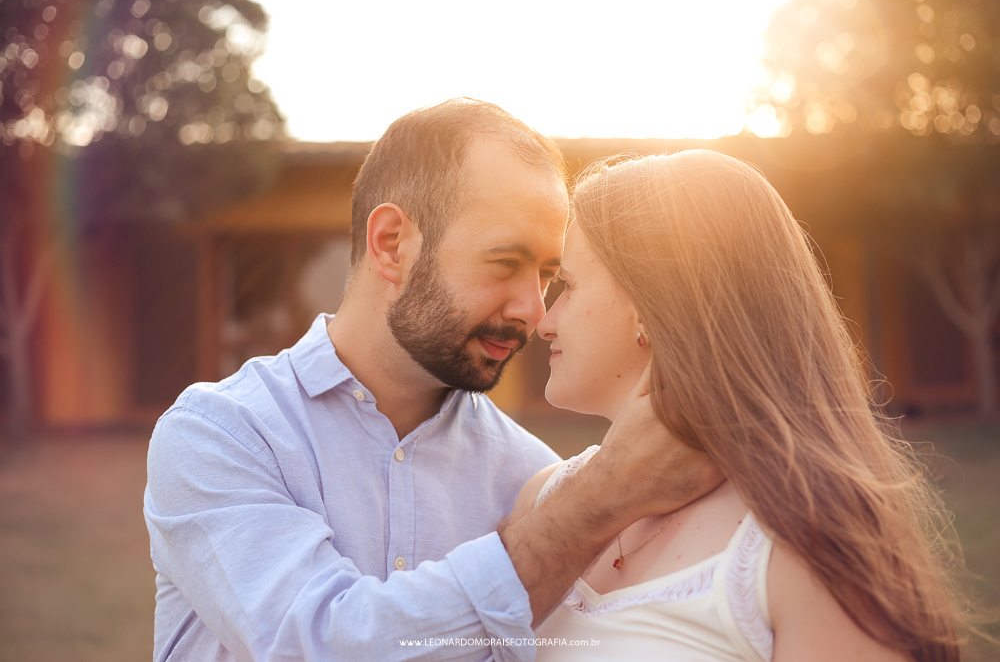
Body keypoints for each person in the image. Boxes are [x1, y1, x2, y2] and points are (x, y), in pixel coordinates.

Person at [143, 100, 720, 661]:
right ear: (392, 244)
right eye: (504, 263)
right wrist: (593, 504)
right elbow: (316, 645)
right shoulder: (219, 435)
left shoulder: (528, 477)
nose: (534, 311)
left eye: (547, 275)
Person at [514, 150, 968, 662]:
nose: (542, 322)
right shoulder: (539, 501)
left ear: (650, 300)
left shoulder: (808, 545)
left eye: (567, 287)